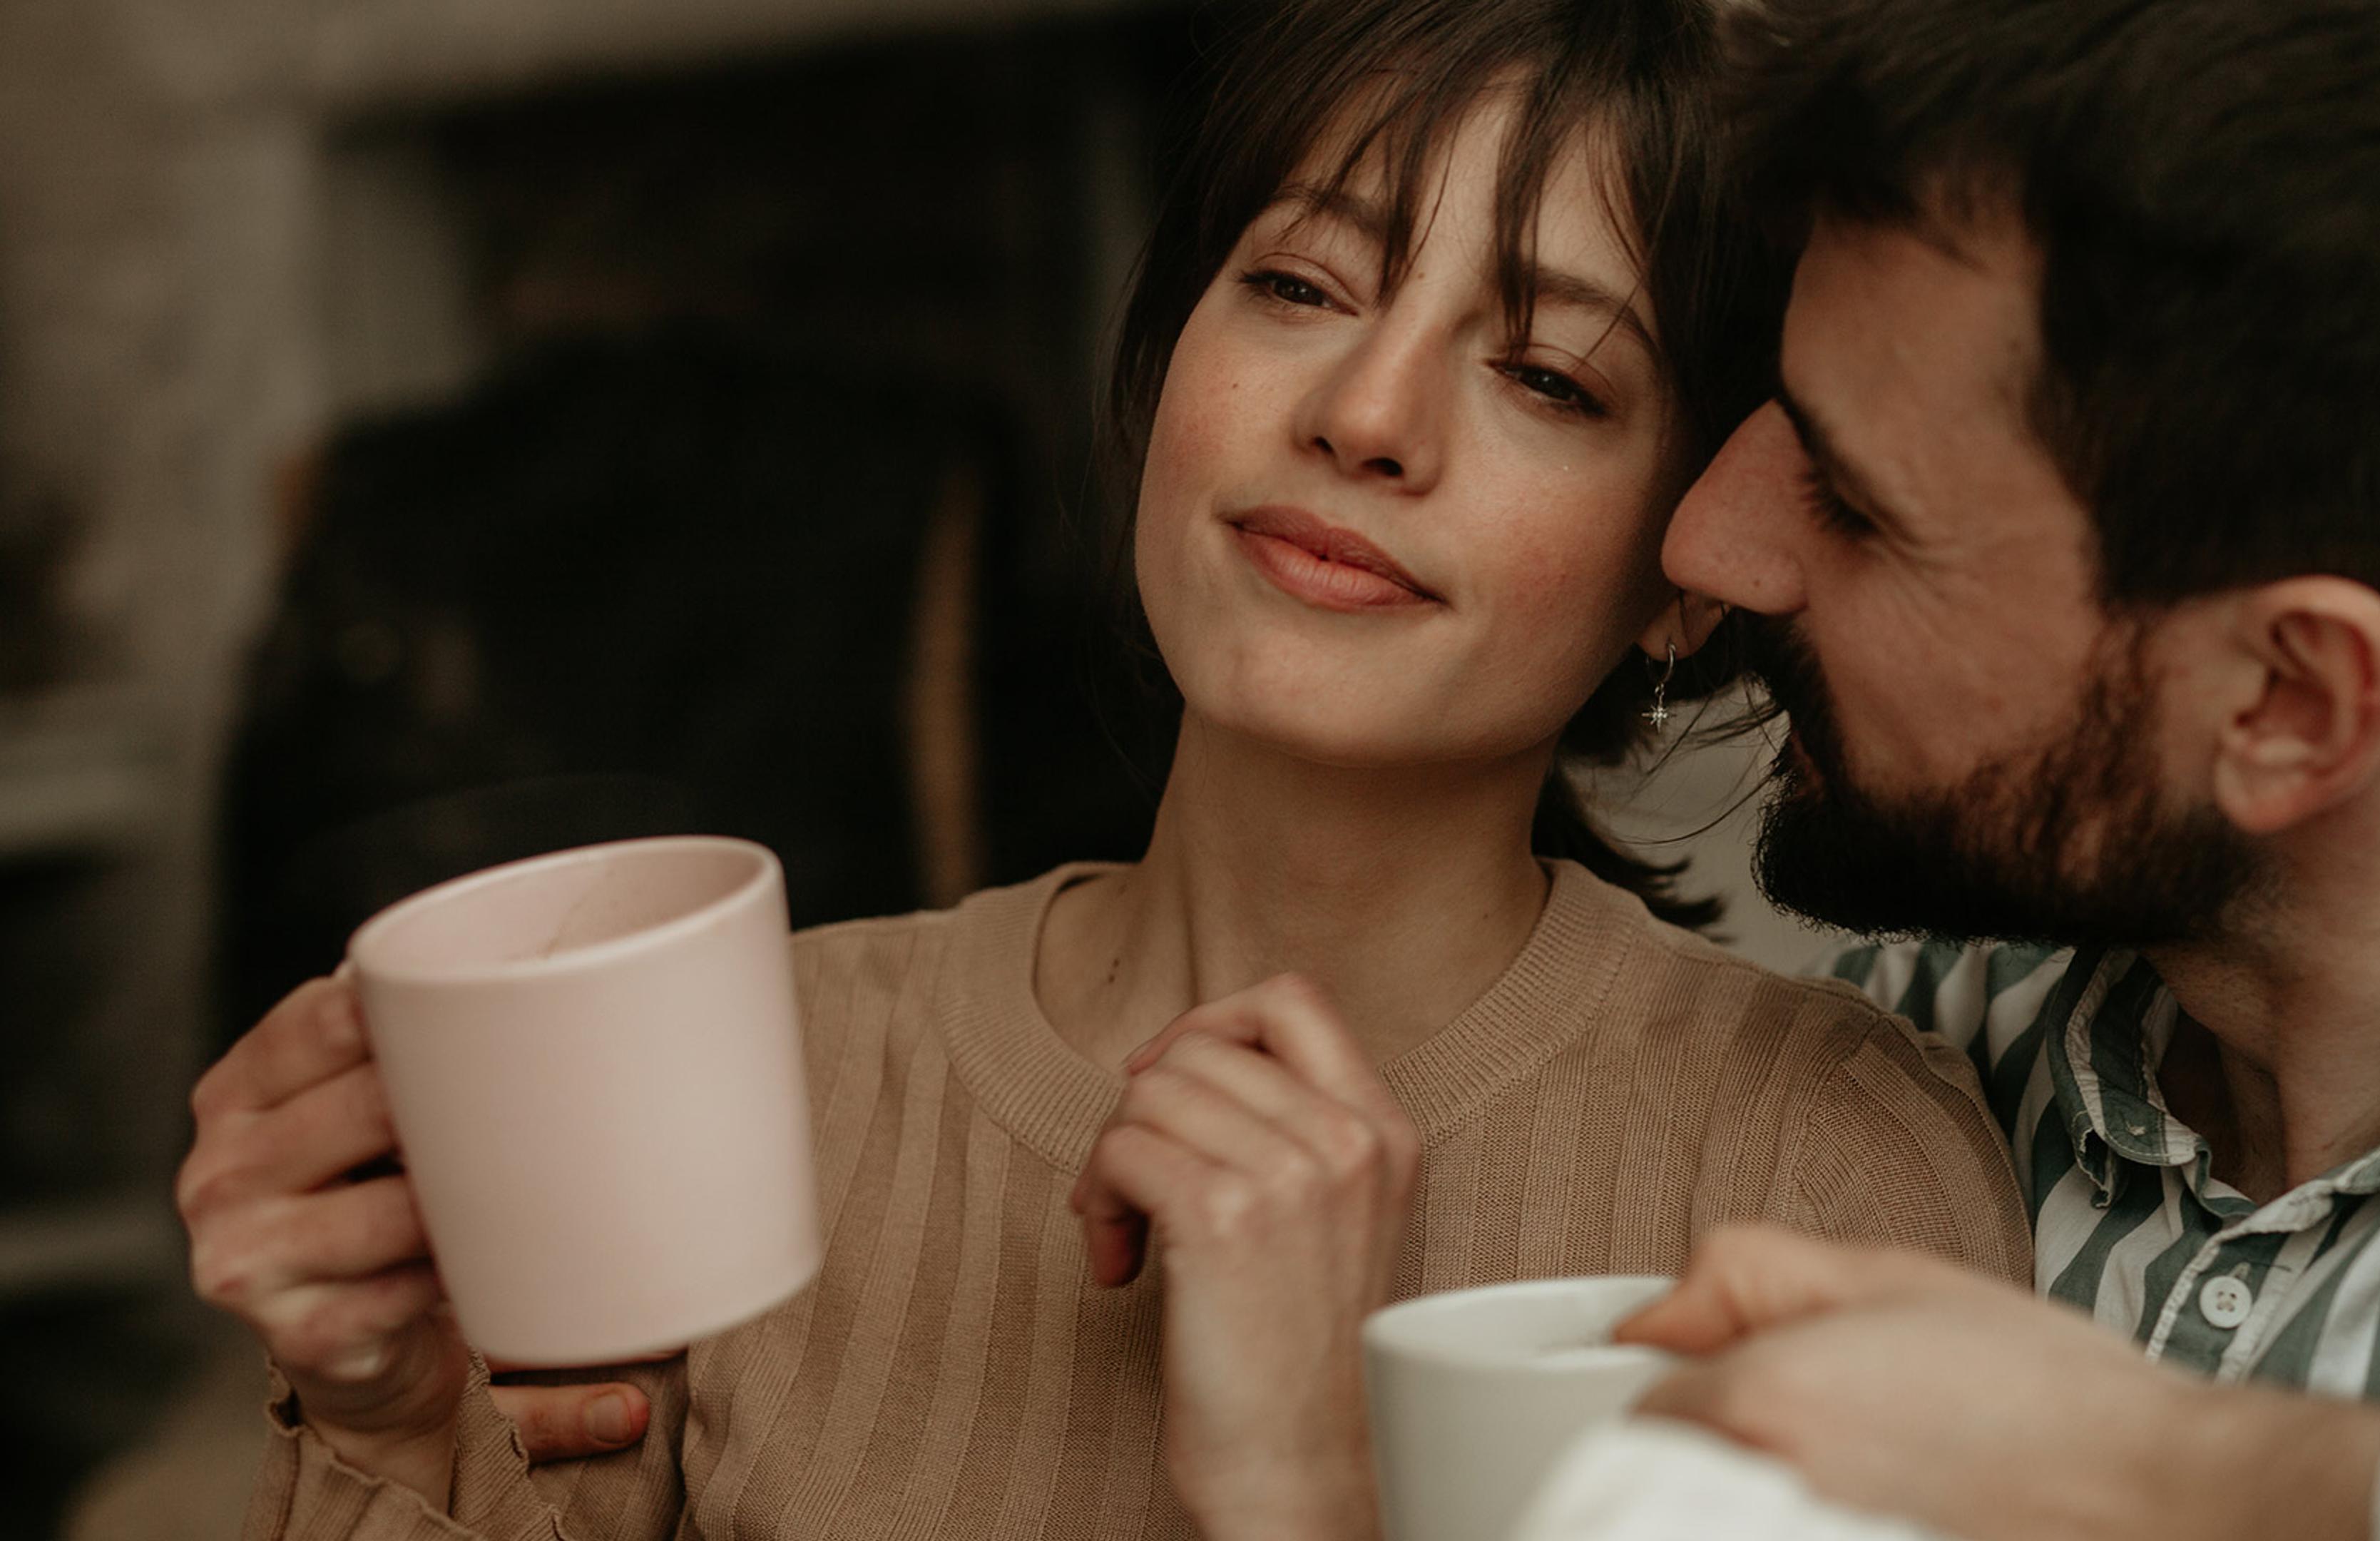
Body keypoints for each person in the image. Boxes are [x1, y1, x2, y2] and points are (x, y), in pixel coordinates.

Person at [175, 3, 2033, 1538]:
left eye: (1549, 377)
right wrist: (387, 1417)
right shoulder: (767, 1074)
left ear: (1686, 574)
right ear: (1164, 371)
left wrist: (1302, 1477)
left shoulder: (1820, 1173)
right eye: (1302, 285)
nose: (1365, 418)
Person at [1592, 0, 2380, 1537]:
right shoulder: (1909, 1049)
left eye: (1857, 506)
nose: (1709, 545)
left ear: (2288, 700)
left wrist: (2153, 1470)